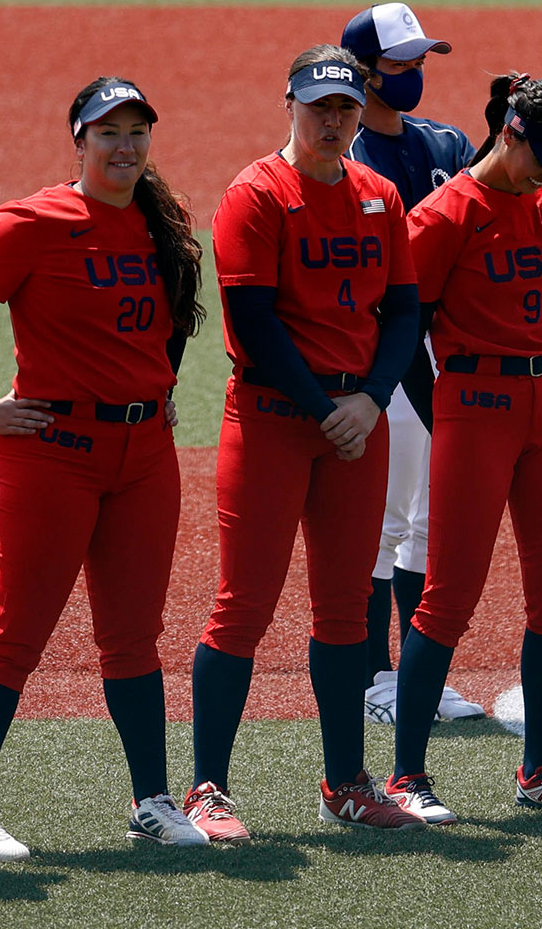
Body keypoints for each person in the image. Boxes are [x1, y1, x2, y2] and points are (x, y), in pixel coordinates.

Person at [0, 77, 209, 861]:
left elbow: (174, 321)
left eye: (136, 132)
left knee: (134, 636)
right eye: (108, 132)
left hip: (143, 458)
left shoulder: (160, 224)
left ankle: (151, 800)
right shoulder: (33, 221)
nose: (123, 146)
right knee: (16, 633)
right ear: (78, 139)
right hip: (52, 455)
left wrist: (156, 387)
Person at [188, 46, 425, 842]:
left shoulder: (380, 196)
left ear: (362, 112)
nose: (333, 122)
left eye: (346, 109)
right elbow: (254, 323)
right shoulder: (255, 194)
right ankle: (207, 788)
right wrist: (333, 407)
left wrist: (370, 399)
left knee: (345, 613)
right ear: (288, 104)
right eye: (319, 106)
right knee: (242, 608)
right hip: (272, 420)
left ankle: (346, 782)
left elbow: (402, 312)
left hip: (353, 423)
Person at [386, 74, 542, 823]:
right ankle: (407, 776)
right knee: (449, 597)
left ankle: (540, 770)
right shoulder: (445, 215)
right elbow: (401, 330)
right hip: (476, 406)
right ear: (509, 132)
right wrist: (441, 409)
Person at [340, 3, 486, 725]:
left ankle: (421, 671)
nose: (415, 73)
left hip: (450, 348)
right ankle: (376, 677)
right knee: (385, 520)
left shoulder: (446, 141)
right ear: (362, 72)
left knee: (430, 518)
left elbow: (480, 209)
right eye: (401, 63)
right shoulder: (347, 156)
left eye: (421, 60)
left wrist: (503, 138)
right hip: (385, 355)